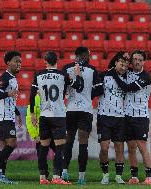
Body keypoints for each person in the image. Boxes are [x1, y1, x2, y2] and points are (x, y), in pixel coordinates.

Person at [30, 51, 83, 185]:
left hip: (44, 115)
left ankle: (42, 177)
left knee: (43, 147)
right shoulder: (63, 75)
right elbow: (78, 86)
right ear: (57, 61)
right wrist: (77, 74)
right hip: (58, 115)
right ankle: (56, 177)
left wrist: (32, 114)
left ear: (45, 61)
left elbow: (31, 95)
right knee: (59, 148)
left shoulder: (38, 75)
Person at [62, 46, 102, 185]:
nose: (90, 57)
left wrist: (67, 95)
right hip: (85, 109)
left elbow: (61, 87)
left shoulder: (66, 68)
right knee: (83, 142)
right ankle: (81, 177)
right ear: (85, 56)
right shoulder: (92, 70)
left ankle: (64, 172)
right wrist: (88, 96)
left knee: (69, 140)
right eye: (89, 55)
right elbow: (100, 89)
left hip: (70, 108)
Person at [113, 50, 151, 185]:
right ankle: (134, 176)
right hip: (127, 115)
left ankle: (149, 177)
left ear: (144, 62)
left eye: (140, 60)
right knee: (131, 147)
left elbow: (128, 88)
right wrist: (120, 56)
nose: (137, 62)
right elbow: (112, 66)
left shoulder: (146, 76)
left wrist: (115, 75)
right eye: (134, 59)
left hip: (141, 116)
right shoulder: (128, 71)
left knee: (142, 146)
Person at [96, 52, 129, 185]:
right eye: (121, 64)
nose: (123, 67)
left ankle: (118, 176)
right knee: (104, 148)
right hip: (104, 116)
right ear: (115, 62)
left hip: (120, 117)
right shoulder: (103, 76)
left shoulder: (128, 78)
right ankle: (105, 174)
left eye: (126, 65)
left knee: (119, 148)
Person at [0, 51, 22, 184]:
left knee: (5, 146)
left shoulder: (13, 78)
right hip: (3, 116)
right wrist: (8, 93)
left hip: (7, 115)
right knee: (12, 143)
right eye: (16, 61)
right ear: (8, 62)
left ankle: (1, 176)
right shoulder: (5, 77)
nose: (19, 64)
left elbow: (10, 100)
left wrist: (17, 113)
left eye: (20, 61)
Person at [25, 94, 56, 179]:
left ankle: (58, 174)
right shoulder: (35, 99)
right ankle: (44, 175)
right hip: (41, 133)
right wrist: (35, 135)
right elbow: (29, 118)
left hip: (53, 132)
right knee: (42, 155)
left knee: (61, 152)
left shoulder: (55, 97)